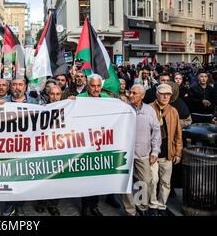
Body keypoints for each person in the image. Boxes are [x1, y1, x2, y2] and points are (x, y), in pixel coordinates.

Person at [71, 74, 119, 215]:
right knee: (86, 177)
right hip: (84, 145)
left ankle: (94, 206)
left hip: (102, 144)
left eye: (98, 86)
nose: (96, 89)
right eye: (93, 86)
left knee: (98, 176)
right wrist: (70, 102)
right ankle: (85, 206)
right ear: (88, 85)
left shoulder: (108, 100)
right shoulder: (79, 99)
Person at [0, 78, 39, 216]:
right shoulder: (2, 102)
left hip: (28, 148)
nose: (17, 87)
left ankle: (20, 205)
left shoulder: (35, 102)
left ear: (25, 87)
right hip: (9, 148)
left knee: (23, 179)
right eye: (15, 84)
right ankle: (9, 205)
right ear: (10, 87)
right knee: (9, 178)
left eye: (20, 84)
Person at [122, 84, 161, 216]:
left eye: (135, 93)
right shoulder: (124, 108)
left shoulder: (150, 111)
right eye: (130, 92)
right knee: (126, 183)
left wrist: (155, 151)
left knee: (144, 182)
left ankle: (141, 206)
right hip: (125, 155)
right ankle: (130, 211)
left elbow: (156, 132)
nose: (131, 95)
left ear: (142, 96)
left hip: (142, 153)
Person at [149, 84, 183, 216]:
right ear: (157, 94)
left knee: (165, 182)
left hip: (168, 153)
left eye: (168, 94)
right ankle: (152, 205)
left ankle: (162, 206)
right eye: (162, 94)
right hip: (152, 154)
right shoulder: (149, 109)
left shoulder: (173, 111)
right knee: (153, 180)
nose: (165, 97)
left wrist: (178, 152)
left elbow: (178, 134)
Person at [34, 84, 62, 216]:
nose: (55, 97)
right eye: (52, 94)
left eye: (57, 94)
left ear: (61, 95)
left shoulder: (67, 108)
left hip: (59, 148)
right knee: (43, 177)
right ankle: (41, 202)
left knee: (56, 178)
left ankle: (53, 205)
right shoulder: (41, 108)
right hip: (43, 148)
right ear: (48, 95)